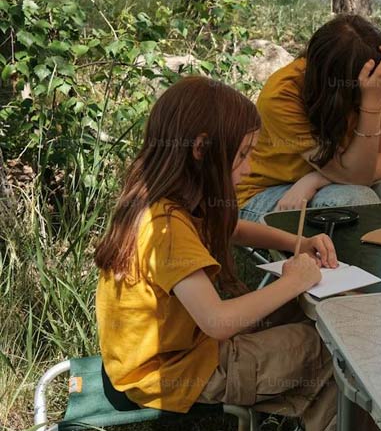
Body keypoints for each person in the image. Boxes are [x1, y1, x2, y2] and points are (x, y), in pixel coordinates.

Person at [94, 77, 338, 430]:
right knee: (327, 348)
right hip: (177, 372)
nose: (250, 167)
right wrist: (295, 279)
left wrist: (297, 243)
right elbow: (218, 322)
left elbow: (232, 228)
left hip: (172, 355)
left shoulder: (161, 198)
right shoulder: (166, 228)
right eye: (242, 155)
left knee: (298, 317)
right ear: (201, 149)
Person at [237, 15, 381, 220]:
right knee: (354, 200)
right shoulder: (282, 94)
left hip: (334, 176)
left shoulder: (375, 79)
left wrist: (315, 179)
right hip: (269, 191)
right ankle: (354, 251)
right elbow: (355, 177)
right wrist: (371, 105)